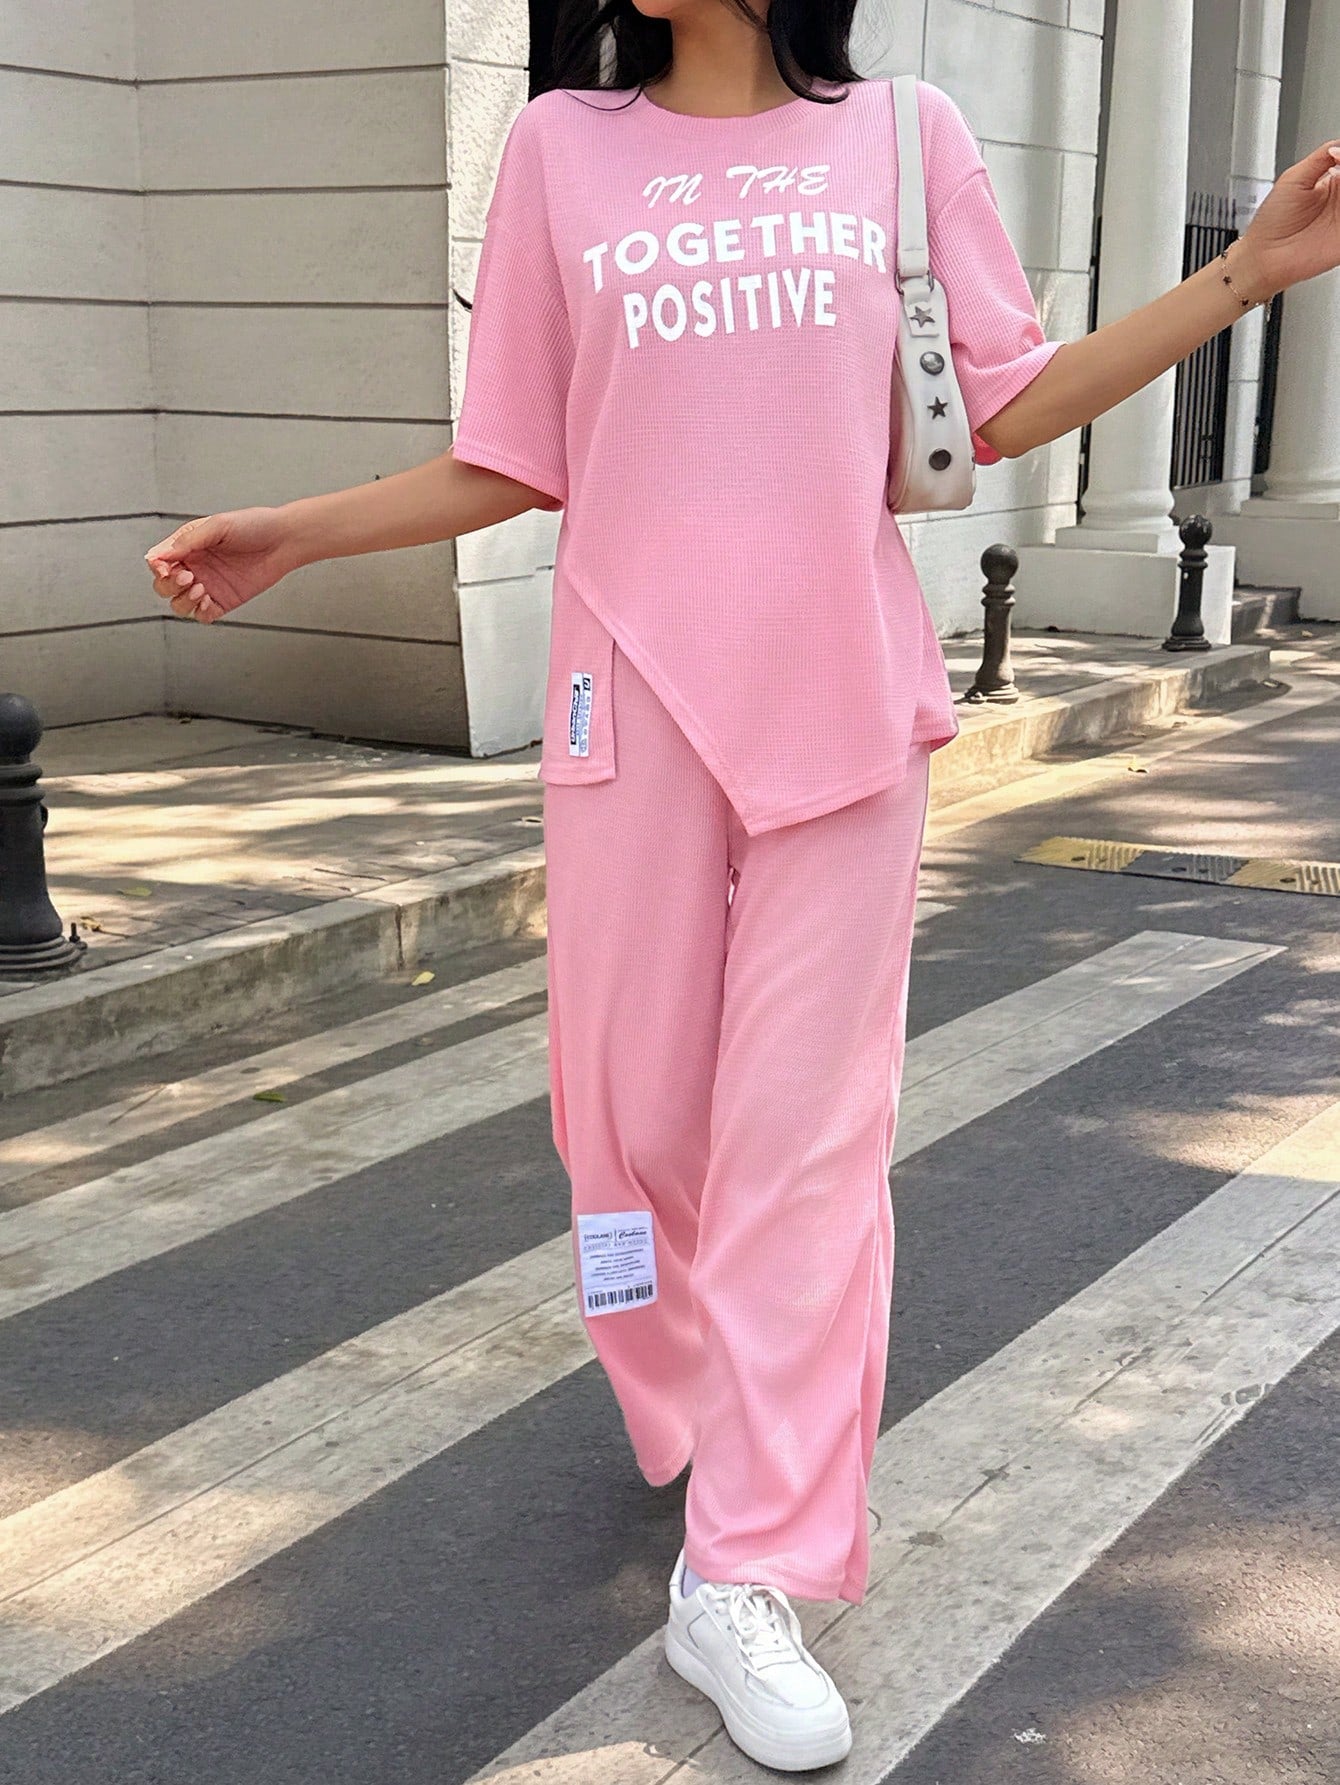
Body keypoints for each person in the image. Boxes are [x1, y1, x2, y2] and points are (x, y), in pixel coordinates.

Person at [143, 0, 1340, 1770]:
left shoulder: (902, 137)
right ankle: (709, 1386)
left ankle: (747, 1561)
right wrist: (296, 532)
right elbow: (515, 450)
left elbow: (1003, 404)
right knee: (630, 1115)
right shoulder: (562, 147)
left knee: (804, 1141)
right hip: (627, 696)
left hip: (840, 702)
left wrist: (1243, 275)